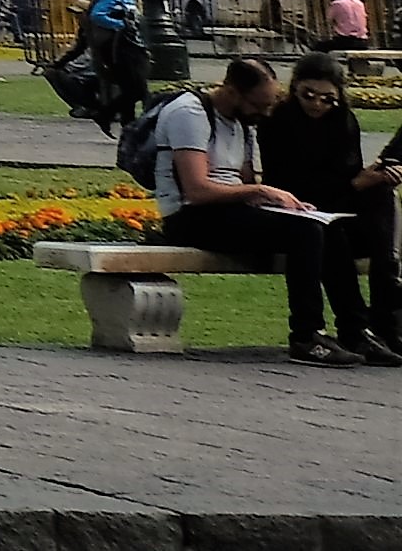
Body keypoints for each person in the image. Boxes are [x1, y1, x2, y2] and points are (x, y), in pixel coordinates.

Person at [147, 57, 393, 365]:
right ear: (233, 92)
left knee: (324, 226)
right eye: (259, 105)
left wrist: (285, 203)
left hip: (229, 210)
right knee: (305, 232)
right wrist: (263, 191)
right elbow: (197, 191)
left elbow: (244, 182)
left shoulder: (243, 120)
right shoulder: (190, 113)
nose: (265, 113)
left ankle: (355, 330)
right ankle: (306, 335)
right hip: (189, 217)